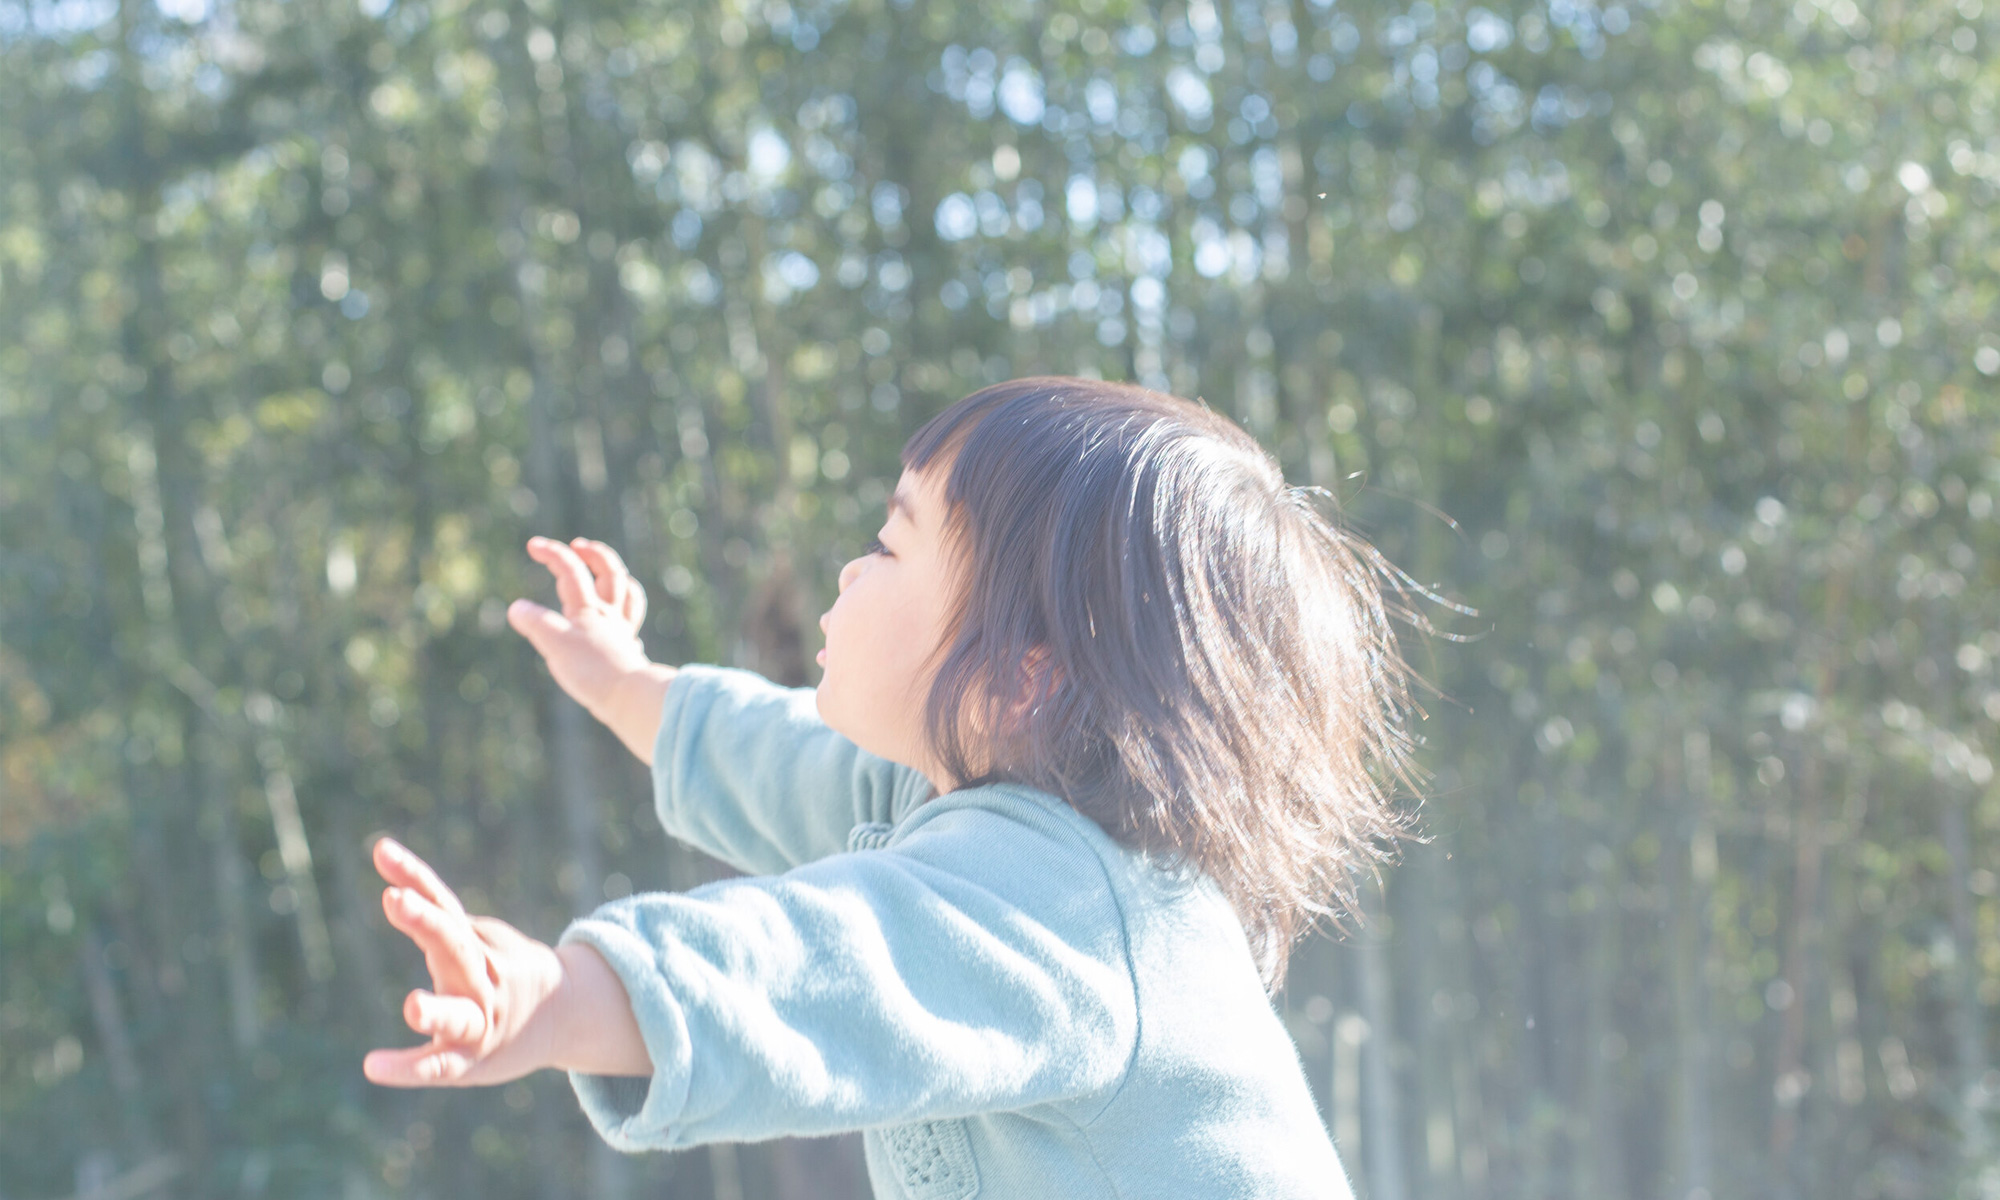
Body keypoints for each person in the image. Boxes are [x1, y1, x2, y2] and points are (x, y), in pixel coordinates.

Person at [363, 376, 1422, 1198]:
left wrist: (551, 999)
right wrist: (623, 681)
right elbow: (769, 756)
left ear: (1024, 667)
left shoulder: (1059, 903)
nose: (847, 571)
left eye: (889, 541)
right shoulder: (943, 796)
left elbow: (807, 964)